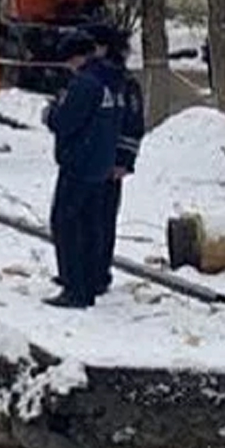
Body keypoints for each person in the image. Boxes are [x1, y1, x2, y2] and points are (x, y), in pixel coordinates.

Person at [43, 31, 122, 308]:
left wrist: (51, 113)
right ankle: (89, 280)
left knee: (66, 224)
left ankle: (74, 287)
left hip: (79, 162)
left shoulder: (84, 85)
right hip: (100, 163)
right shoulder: (109, 82)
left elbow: (65, 122)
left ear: (75, 57)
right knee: (91, 225)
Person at [89, 25, 142, 295]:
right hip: (89, 160)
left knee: (103, 218)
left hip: (109, 162)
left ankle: (99, 272)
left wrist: (123, 160)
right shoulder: (92, 77)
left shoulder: (123, 83)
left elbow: (133, 124)